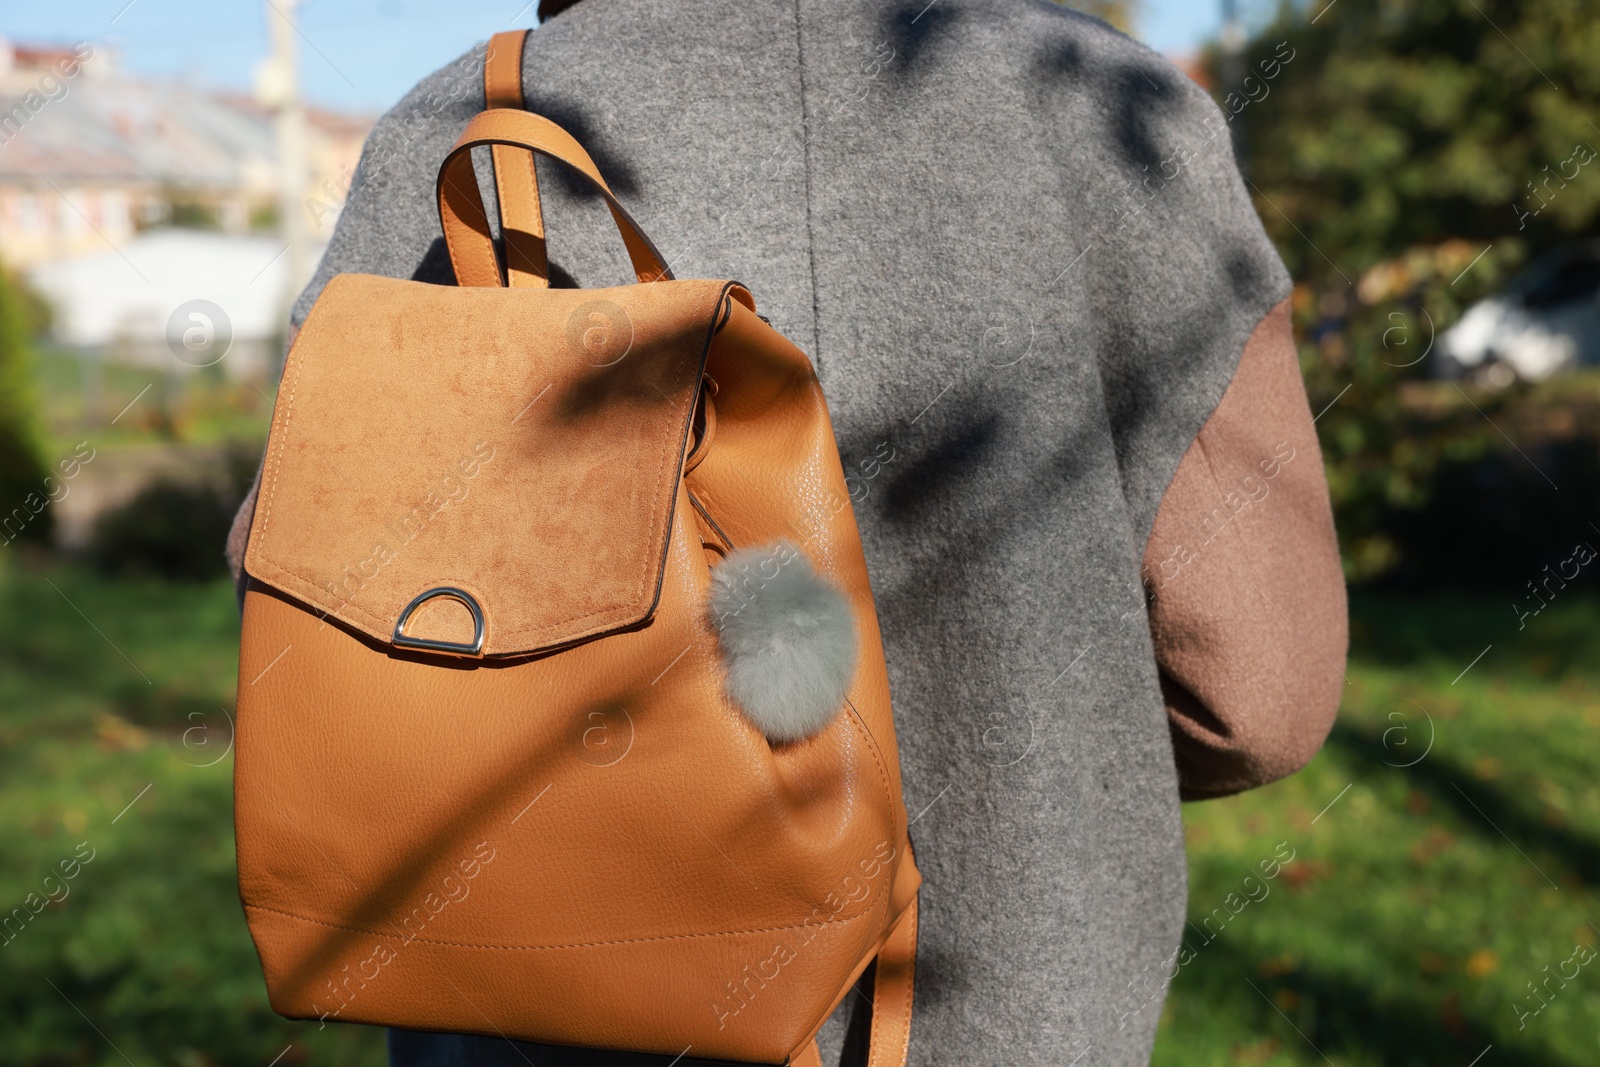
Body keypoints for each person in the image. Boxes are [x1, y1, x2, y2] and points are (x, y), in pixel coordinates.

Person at [229, 0, 1347, 1063]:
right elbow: (1259, 698)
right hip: (1021, 1007)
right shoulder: (1109, 109)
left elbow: (298, 625)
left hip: (538, 1001)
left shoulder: (457, 128)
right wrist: (1037, 751)